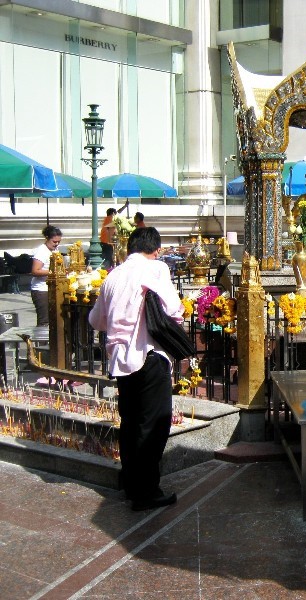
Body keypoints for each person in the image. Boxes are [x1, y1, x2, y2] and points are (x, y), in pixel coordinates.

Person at [88, 226, 182, 512]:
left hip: (120, 359)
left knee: (130, 422)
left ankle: (132, 485)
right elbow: (175, 309)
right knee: (154, 423)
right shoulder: (155, 270)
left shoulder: (113, 276)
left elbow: (96, 320)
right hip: (149, 354)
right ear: (155, 250)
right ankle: (147, 491)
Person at [30, 225, 62, 326]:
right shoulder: (41, 251)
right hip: (41, 290)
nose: (56, 244)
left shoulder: (55, 250)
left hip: (51, 288)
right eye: (54, 242)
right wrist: (53, 272)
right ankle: (41, 341)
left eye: (58, 242)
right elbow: (35, 271)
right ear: (47, 238)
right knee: (44, 320)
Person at [100, 201, 128, 269]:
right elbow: (118, 213)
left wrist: (125, 206)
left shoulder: (107, 219)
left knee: (110, 260)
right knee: (108, 261)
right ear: (113, 213)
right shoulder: (111, 219)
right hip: (108, 244)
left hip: (104, 242)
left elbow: (118, 212)